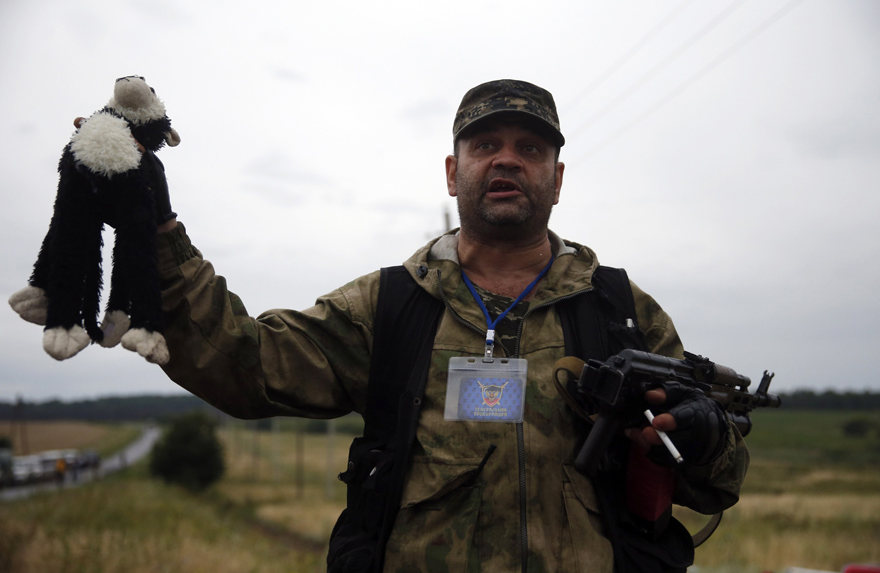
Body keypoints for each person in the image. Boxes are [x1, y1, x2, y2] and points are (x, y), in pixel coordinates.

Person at [153, 80, 748, 573]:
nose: (508, 158)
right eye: (485, 144)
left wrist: (706, 437)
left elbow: (715, 485)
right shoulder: (388, 305)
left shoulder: (619, 310)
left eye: (532, 149)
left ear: (558, 180)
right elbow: (245, 364)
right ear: (452, 171)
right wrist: (155, 234)